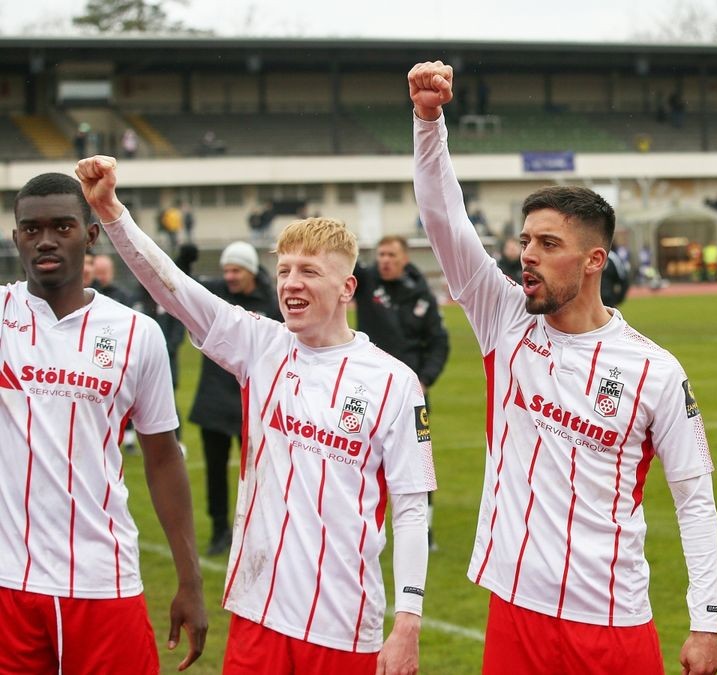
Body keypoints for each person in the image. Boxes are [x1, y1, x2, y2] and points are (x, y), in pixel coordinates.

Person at [410, 61, 717, 675]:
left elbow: (695, 496)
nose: (527, 256)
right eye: (525, 241)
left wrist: (705, 621)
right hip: (515, 610)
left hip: (612, 622)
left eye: (548, 245)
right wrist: (428, 120)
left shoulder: (655, 370)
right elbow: (444, 219)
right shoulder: (505, 319)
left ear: (593, 260)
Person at [76, 155, 436, 675]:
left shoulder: (395, 382)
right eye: (283, 270)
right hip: (257, 616)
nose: (291, 282)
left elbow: (410, 508)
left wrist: (408, 621)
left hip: (343, 626)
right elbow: (172, 287)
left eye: (309, 271)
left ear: (347, 288)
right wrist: (111, 212)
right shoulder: (259, 346)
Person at [0, 172, 207, 673]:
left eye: (63, 227)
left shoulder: (138, 334)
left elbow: (162, 458)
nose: (45, 240)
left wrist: (191, 581)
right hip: (8, 586)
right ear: (16, 238)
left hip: (102, 581)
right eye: (31, 229)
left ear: (91, 236)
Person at [353, 234, 449, 549]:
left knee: (416, 464)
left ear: (405, 258)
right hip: (365, 390)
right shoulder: (365, 282)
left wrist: (425, 379)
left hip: (410, 395)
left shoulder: (421, 295)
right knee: (357, 459)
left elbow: (438, 342)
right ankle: (361, 529)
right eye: (381, 254)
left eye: (392, 254)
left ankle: (426, 531)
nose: (385, 260)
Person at [188, 241, 281, 556]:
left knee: (259, 473)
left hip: (253, 402)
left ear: (251, 270)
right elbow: (180, 291)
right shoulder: (215, 293)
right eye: (226, 269)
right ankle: (219, 530)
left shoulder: (271, 301)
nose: (229, 276)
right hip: (214, 397)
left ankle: (259, 532)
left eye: (236, 270)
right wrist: (185, 260)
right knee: (215, 471)